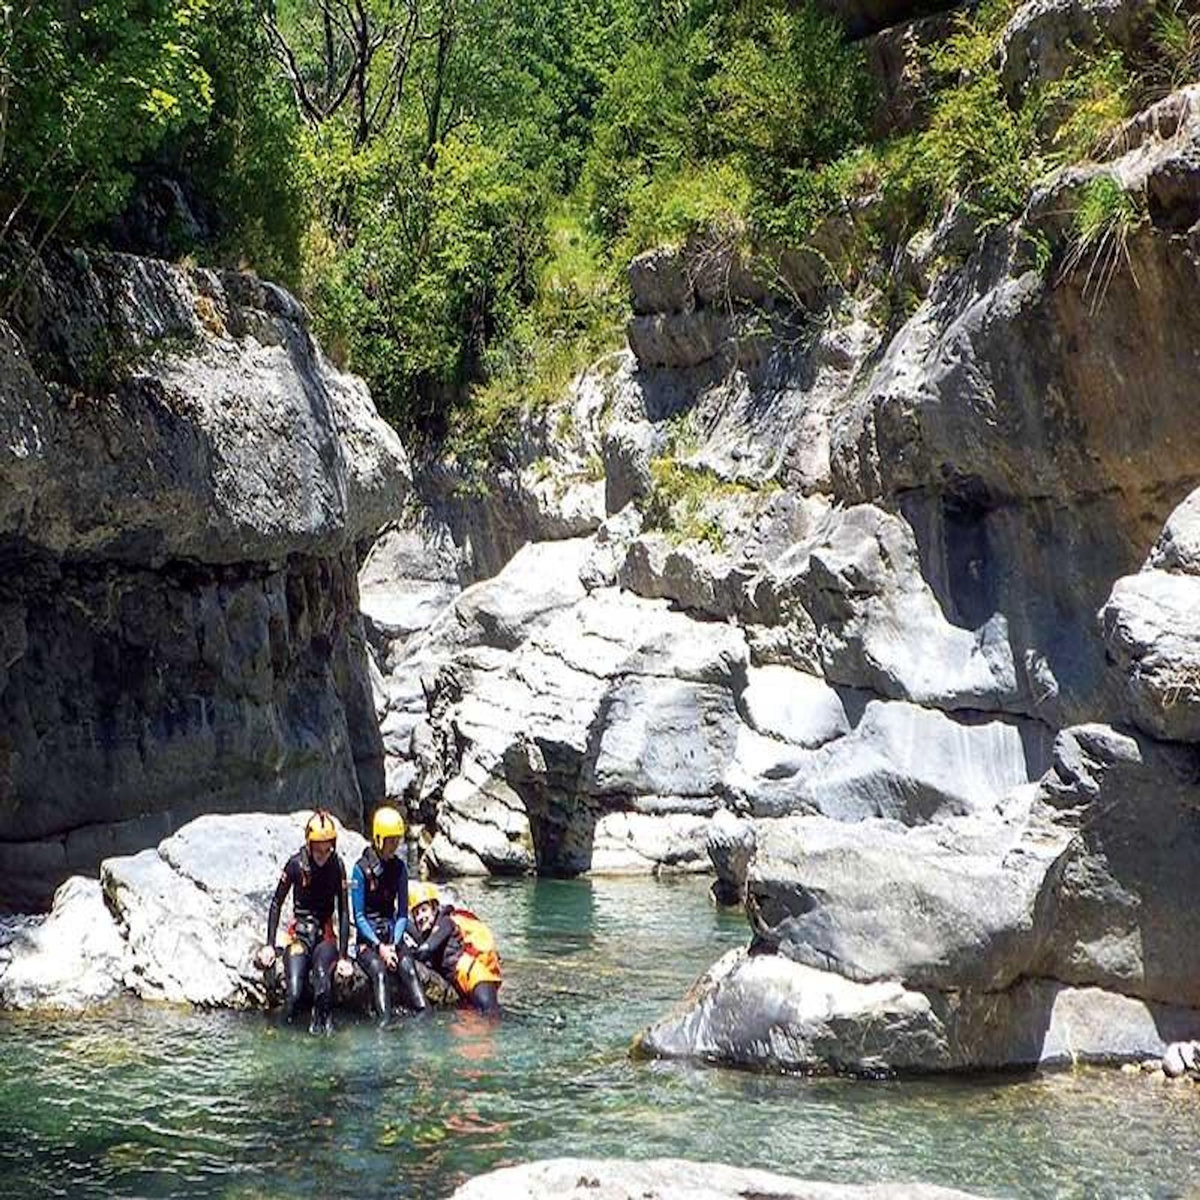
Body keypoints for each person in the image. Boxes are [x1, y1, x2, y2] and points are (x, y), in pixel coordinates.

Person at [255, 810, 354, 1034]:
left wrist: (344, 957)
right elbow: (276, 903)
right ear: (308, 844)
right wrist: (270, 944)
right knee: (295, 993)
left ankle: (327, 1044)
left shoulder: (337, 866)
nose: (322, 853)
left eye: (327, 848)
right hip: (299, 937)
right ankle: (279, 1036)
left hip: (325, 938)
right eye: (317, 848)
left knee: (323, 987)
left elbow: (344, 911)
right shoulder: (295, 865)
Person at [350, 806, 428, 1025]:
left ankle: (425, 1018)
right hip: (368, 941)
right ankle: (384, 1025)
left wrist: (394, 943)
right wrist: (379, 947)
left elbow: (402, 912)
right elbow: (358, 916)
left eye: (397, 840)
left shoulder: (400, 869)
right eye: (390, 840)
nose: (395, 846)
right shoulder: (360, 870)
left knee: (408, 969)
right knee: (380, 973)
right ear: (378, 838)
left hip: (392, 935)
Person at [407, 882, 502, 1015]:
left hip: (475, 978)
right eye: (416, 913)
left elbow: (426, 950)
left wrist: (406, 955)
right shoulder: (429, 933)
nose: (420, 917)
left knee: (492, 1017)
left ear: (434, 909)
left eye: (424, 910)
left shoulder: (445, 922)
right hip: (462, 986)